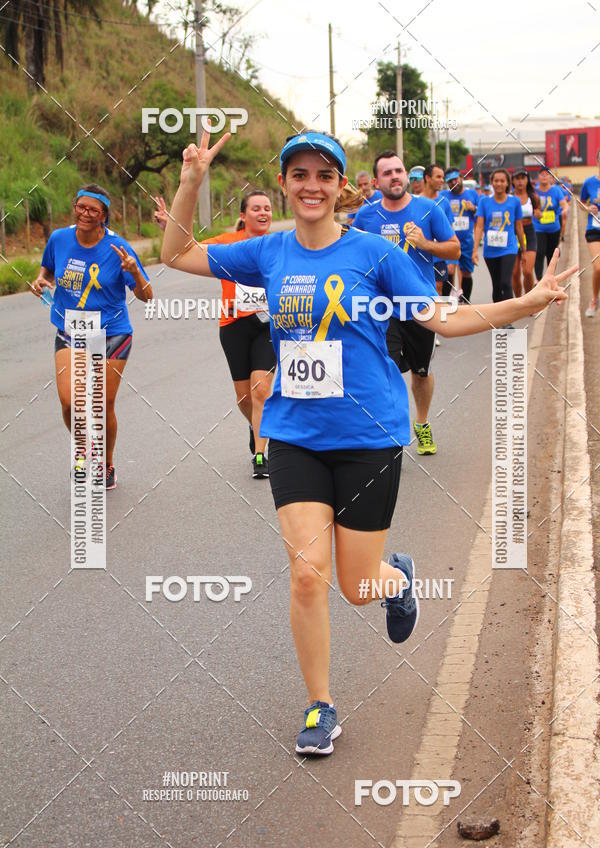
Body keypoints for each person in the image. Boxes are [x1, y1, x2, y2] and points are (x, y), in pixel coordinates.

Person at [161, 130, 574, 756]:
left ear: (339, 187)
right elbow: (177, 254)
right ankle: (320, 707)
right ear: (283, 184)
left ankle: (397, 579)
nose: (310, 186)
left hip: (369, 436)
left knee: (357, 586)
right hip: (295, 435)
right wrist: (191, 180)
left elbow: (442, 317)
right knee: (306, 577)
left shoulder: (375, 256)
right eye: (298, 174)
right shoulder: (267, 252)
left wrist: (526, 303)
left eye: (323, 175)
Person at [31, 184, 152, 489]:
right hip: (70, 331)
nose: (85, 214)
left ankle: (106, 462)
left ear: (104, 216)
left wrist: (134, 272)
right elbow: (45, 270)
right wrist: (40, 281)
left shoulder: (117, 248)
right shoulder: (59, 238)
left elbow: (147, 295)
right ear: (75, 208)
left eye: (93, 210)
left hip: (112, 333)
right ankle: (82, 450)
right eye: (80, 207)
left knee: (102, 404)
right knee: (70, 401)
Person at [155, 192, 275, 478]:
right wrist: (171, 226)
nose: (263, 213)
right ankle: (255, 425)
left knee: (261, 389)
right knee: (244, 397)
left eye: (268, 209)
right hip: (233, 326)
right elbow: (188, 249)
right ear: (244, 215)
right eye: (256, 208)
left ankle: (261, 454)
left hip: (269, 324)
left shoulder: (279, 246)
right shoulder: (227, 243)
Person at [353, 150, 460, 456]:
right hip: (380, 309)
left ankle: (422, 423)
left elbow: (454, 250)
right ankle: (388, 429)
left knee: (421, 372)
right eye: (387, 173)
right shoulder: (367, 216)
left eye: (398, 170)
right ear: (376, 181)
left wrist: (426, 244)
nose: (395, 176)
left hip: (420, 305)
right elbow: (355, 258)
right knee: (385, 368)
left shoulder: (429, 208)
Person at [473, 168, 525, 304]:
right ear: (492, 183)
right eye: (496, 181)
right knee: (496, 286)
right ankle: (498, 319)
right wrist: (474, 251)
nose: (499, 184)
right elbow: (479, 226)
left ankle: (508, 319)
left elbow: (519, 226)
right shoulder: (484, 202)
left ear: (507, 183)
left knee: (505, 282)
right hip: (490, 250)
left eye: (502, 181)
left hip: (509, 248)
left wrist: (523, 250)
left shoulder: (515, 202)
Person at [441, 167, 479, 303]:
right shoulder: (443, 196)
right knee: (450, 270)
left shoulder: (472, 195)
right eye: (450, 181)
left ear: (461, 178)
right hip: (449, 241)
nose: (453, 183)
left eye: (455, 179)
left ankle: (466, 300)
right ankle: (446, 301)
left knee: (467, 272)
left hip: (466, 241)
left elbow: (481, 216)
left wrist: (474, 209)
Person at [422, 163, 455, 297]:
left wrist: (452, 260)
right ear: (428, 178)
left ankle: (436, 317)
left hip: (438, 255)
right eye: (438, 177)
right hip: (420, 255)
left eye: (443, 177)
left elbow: (451, 235)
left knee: (437, 287)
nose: (442, 180)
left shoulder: (444, 202)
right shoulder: (415, 200)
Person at [511, 168, 541, 297]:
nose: (520, 181)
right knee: (515, 273)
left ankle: (528, 299)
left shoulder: (533, 197)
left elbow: (538, 213)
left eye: (523, 178)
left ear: (527, 180)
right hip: (512, 233)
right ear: (512, 181)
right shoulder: (509, 198)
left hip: (529, 232)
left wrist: (538, 214)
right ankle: (519, 301)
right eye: (517, 178)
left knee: (528, 271)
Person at [533, 168, 568, 280]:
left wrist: (565, 210)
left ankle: (550, 278)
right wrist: (535, 212)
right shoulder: (534, 192)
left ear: (551, 178)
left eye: (547, 175)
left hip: (554, 228)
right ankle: (538, 279)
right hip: (538, 228)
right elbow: (530, 208)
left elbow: (564, 204)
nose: (544, 176)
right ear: (538, 177)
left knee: (551, 254)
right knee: (539, 251)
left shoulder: (556, 191)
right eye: (542, 174)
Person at [580, 150, 600, 317]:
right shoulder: (589, 183)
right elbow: (581, 203)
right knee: (598, 267)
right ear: (597, 161)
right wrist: (588, 208)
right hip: (594, 229)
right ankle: (594, 300)